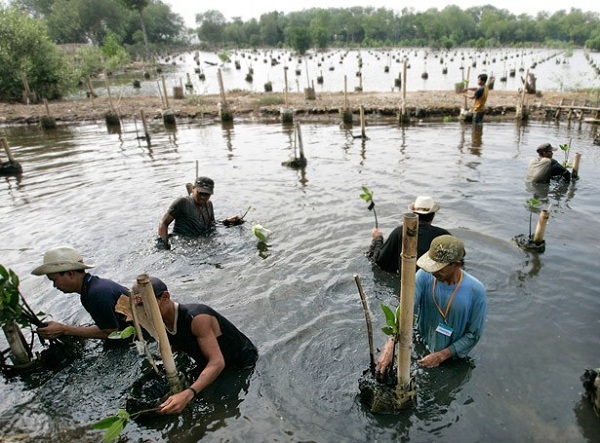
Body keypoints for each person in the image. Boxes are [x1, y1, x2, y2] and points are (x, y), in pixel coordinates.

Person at [132, 277, 258, 415]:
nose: (145, 312)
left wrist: (188, 393)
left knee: (216, 406)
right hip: (206, 361)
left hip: (239, 363)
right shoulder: (159, 323)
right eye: (141, 307)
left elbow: (217, 362)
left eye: (149, 306)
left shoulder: (197, 318)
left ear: (166, 297)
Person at [413, 235, 486, 368]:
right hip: (420, 342)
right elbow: (405, 311)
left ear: (456, 264)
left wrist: (441, 356)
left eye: (439, 268)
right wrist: (391, 342)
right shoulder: (423, 276)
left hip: (452, 358)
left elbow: (473, 334)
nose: (433, 272)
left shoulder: (476, 290)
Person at [31, 246, 129, 340]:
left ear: (70, 274)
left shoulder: (96, 294)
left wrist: (64, 329)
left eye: (54, 280)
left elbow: (111, 333)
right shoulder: (93, 287)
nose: (54, 285)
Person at [369, 196, 451, 273]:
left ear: (414, 213)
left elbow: (380, 260)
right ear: (433, 215)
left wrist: (377, 239)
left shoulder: (399, 232)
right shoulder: (444, 236)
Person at [158, 176, 216, 248]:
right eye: (200, 193)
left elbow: (212, 226)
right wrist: (165, 245)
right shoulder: (183, 202)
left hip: (199, 243)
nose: (203, 197)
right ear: (193, 188)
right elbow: (163, 223)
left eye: (207, 194)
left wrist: (226, 222)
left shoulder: (209, 205)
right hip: (180, 243)